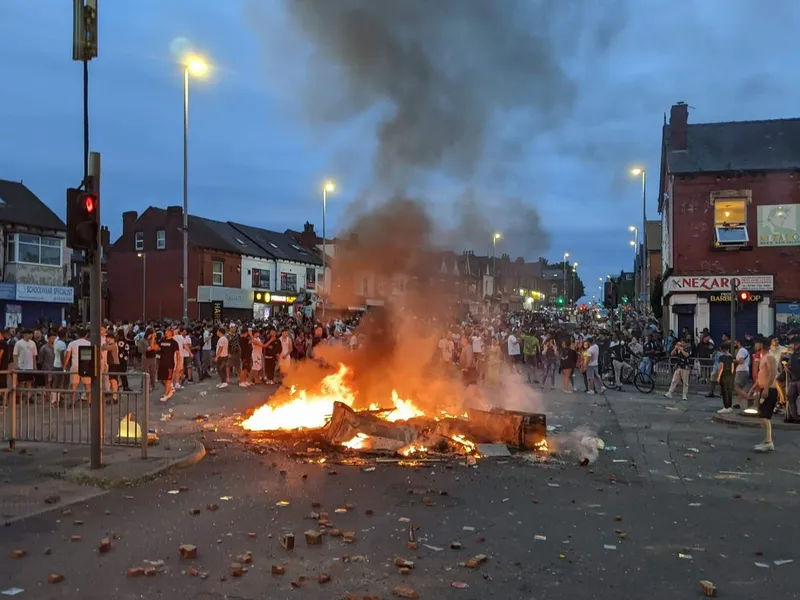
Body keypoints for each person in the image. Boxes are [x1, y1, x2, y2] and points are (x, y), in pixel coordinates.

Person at [754, 348, 779, 452]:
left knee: (764, 416)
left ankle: (769, 442)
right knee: (762, 415)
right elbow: (762, 376)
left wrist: (767, 388)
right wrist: (752, 389)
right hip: (764, 389)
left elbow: (772, 373)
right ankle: (767, 440)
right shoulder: (762, 357)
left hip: (770, 390)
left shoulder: (769, 357)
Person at [157, 328, 180, 402]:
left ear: (171, 333)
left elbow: (178, 353)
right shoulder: (162, 341)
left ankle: (165, 395)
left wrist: (178, 364)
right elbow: (156, 347)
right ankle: (170, 389)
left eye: (168, 331)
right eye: (165, 331)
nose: (166, 332)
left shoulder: (174, 342)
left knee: (168, 379)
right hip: (162, 362)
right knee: (161, 379)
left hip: (170, 363)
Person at [716, 342, 736, 414]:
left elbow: (721, 367)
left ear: (722, 349)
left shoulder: (721, 357)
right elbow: (733, 368)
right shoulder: (731, 357)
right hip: (730, 375)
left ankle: (726, 407)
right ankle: (730, 407)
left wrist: (718, 377)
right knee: (729, 391)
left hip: (724, 375)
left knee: (724, 391)